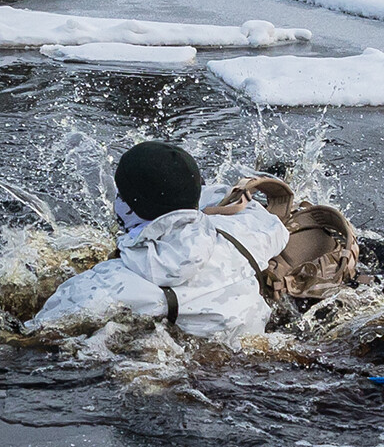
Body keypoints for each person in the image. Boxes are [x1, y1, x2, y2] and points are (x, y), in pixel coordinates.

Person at [27, 141, 289, 341]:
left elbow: (39, 330)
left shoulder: (108, 284)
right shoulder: (247, 230)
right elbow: (238, 204)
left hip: (190, 372)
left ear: (128, 206)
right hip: (251, 352)